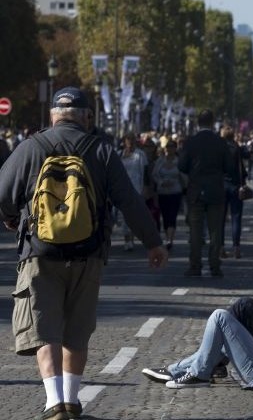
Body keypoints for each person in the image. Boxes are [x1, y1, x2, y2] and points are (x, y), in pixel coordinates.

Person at [0, 87, 168, 420]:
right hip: (88, 253)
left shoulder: (30, 147)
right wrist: (152, 241)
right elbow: (130, 201)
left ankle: (53, 403)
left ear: (52, 116)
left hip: (39, 252)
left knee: (44, 327)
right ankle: (73, 401)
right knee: (76, 329)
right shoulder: (102, 151)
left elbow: (3, 192)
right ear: (87, 117)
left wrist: (11, 217)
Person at [178, 109, 233, 277]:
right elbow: (229, 167)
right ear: (212, 122)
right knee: (215, 231)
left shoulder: (191, 142)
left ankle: (195, 265)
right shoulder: (220, 142)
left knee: (195, 231)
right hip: (215, 191)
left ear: (198, 122)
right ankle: (215, 266)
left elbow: (181, 166)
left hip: (195, 191)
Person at [219, 125, 247, 259]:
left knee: (220, 218)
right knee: (236, 217)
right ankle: (236, 248)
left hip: (221, 186)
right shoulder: (237, 148)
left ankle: (221, 248)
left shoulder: (218, 149)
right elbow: (242, 169)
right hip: (235, 186)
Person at [152, 140, 184, 250]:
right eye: (168, 147)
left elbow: (183, 176)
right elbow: (154, 175)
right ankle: (167, 236)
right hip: (163, 192)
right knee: (165, 216)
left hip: (175, 192)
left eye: (171, 147)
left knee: (172, 215)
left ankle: (170, 239)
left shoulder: (179, 161)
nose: (169, 149)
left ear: (175, 149)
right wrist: (161, 182)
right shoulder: (160, 161)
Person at [119, 132, 148, 251]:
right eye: (128, 139)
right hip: (122, 189)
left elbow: (146, 173)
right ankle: (127, 239)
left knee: (134, 216)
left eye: (132, 139)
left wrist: (146, 188)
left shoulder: (140, 155)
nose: (130, 142)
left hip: (136, 188)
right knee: (124, 216)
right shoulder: (120, 154)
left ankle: (131, 239)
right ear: (124, 141)